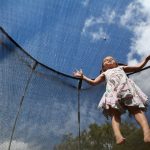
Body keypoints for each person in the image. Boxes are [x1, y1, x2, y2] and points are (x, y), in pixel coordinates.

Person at [73, 55, 150, 144]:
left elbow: (138, 67)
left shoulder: (121, 68)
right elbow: (93, 82)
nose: (109, 60)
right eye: (105, 60)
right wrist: (83, 77)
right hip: (112, 93)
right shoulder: (104, 73)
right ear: (103, 67)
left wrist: (146, 59)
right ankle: (118, 135)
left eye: (111, 59)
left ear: (116, 63)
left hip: (126, 90)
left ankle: (147, 132)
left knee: (136, 109)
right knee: (115, 114)